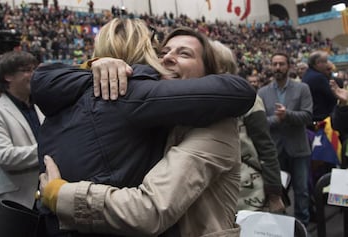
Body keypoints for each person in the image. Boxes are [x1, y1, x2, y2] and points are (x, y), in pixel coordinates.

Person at [34, 24, 255, 236]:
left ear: (209, 75)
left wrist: (60, 194)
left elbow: (151, 209)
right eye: (164, 51)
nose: (167, 57)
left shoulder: (216, 125)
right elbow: (44, 79)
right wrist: (95, 66)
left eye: (185, 54)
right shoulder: (156, 114)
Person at [209, 40, 284, 212]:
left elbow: (265, 146)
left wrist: (274, 193)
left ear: (222, 66)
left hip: (249, 194)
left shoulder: (247, 99)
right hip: (216, 197)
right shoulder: (193, 99)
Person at [0, 51, 44, 231]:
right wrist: (49, 149)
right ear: (8, 76)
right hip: (15, 204)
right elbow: (6, 157)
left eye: (34, 69)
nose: (33, 75)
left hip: (48, 202)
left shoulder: (41, 107)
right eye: (26, 70)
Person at [258, 52, 313, 226]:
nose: (278, 68)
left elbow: (307, 116)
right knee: (276, 193)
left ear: (288, 66)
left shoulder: (302, 88)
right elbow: (261, 123)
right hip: (275, 152)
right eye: (274, 64)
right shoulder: (263, 92)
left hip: (298, 149)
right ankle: (280, 228)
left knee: (302, 191)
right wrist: (277, 119)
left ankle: (302, 225)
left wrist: (287, 115)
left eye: (281, 64)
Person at [302, 50, 336, 122]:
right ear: (318, 63)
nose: (327, 64)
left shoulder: (307, 74)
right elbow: (332, 96)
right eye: (325, 62)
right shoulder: (318, 77)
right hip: (321, 117)